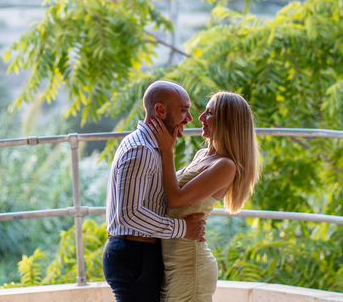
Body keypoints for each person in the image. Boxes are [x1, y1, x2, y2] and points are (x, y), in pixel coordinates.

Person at [148, 91, 261, 302]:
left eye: (209, 113)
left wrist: (167, 151)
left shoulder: (225, 166)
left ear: (227, 121)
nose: (200, 118)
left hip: (190, 264)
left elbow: (175, 199)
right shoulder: (202, 155)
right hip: (173, 258)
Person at [103, 81, 207, 302]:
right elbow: (129, 214)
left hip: (138, 252)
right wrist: (183, 228)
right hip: (134, 254)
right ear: (160, 110)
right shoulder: (142, 150)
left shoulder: (151, 147)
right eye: (183, 110)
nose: (189, 118)